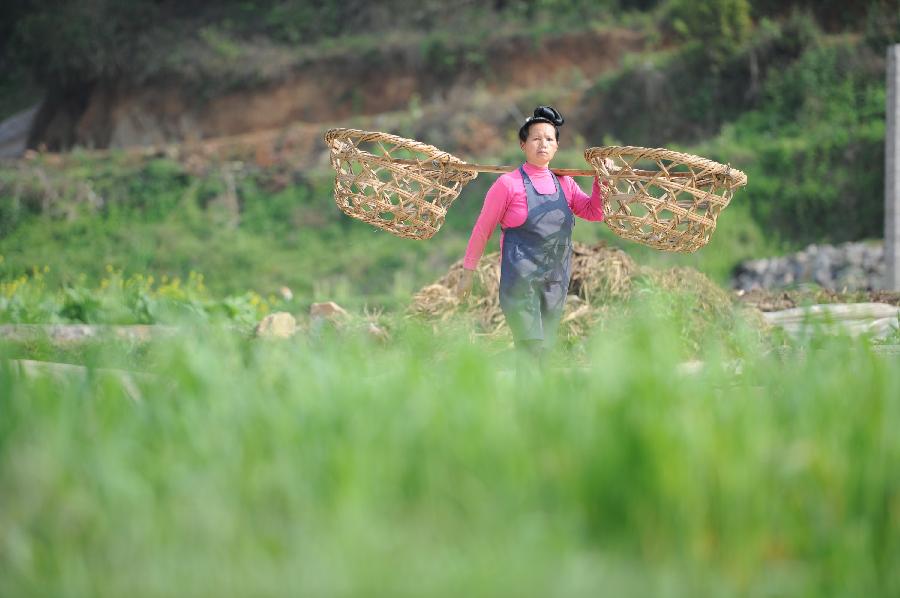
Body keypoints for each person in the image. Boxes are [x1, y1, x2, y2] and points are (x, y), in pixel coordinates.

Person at [455, 105, 608, 365]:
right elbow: (482, 230)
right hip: (521, 285)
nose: (543, 144)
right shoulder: (507, 184)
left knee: (543, 356)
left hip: (555, 283)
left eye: (549, 139)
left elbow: (595, 212)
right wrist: (467, 274)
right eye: (536, 138)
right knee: (531, 351)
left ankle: (534, 405)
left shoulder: (565, 184)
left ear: (557, 147)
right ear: (522, 144)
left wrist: (601, 179)